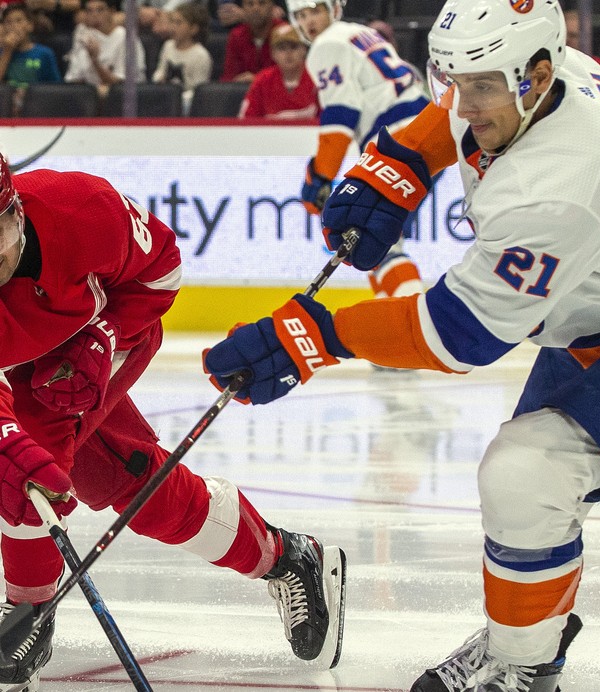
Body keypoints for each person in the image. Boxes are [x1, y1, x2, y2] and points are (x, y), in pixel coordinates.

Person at [203, 0, 600, 689]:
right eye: (448, 78)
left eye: (482, 85)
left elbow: (457, 335)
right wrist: (398, 163)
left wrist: (312, 336)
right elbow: (455, 109)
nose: (462, 103)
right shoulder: (544, 71)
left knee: (527, 476)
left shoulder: (554, 191)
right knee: (527, 487)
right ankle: (528, 636)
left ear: (538, 75)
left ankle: (522, 664)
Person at [0, 155, 346, 691]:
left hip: (86, 350)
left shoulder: (82, 209)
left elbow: (162, 270)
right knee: (123, 478)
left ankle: (27, 616)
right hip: (14, 363)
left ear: (17, 210)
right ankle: (285, 557)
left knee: (32, 471)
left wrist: (105, 336)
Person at [288, 0, 427, 301]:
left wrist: (320, 176)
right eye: (301, 14)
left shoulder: (326, 45)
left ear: (333, 10)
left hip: (397, 140)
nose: (309, 20)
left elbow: (341, 115)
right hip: (426, 127)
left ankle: (411, 315)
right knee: (379, 238)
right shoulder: (359, 32)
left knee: (373, 238)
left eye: (315, 11)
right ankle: (394, 311)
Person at [238, 22, 319, 119]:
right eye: (282, 48)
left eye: (293, 47)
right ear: (273, 53)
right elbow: (246, 120)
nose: (288, 53)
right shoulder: (262, 80)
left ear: (304, 50)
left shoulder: (316, 77)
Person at [65, 0, 146, 92]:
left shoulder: (127, 38)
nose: (94, 15)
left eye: (100, 10)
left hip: (120, 96)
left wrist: (95, 60)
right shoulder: (82, 33)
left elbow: (118, 83)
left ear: (112, 12)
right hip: (88, 96)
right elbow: (74, 78)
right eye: (89, 11)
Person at [152, 1, 213, 112]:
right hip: (164, 98)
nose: (173, 27)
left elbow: (199, 90)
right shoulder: (168, 46)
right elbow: (160, 70)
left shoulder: (201, 55)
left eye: (178, 23)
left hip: (188, 105)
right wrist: (159, 78)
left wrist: (179, 98)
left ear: (193, 29)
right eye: (172, 22)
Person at [0, 3, 61, 114]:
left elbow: (55, 90)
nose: (13, 26)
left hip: (37, 109)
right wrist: (7, 51)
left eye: (19, 21)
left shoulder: (44, 53)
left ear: (30, 25)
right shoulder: (2, 53)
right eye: (8, 22)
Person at [219, 0, 284, 82]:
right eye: (250, 4)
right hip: (242, 92)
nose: (255, 8)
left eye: (262, 3)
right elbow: (228, 77)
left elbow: (289, 78)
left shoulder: (284, 33)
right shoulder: (236, 36)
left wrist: (257, 80)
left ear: (272, 7)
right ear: (243, 8)